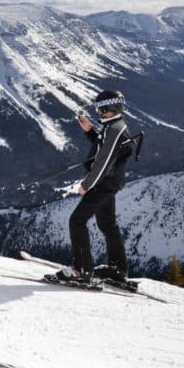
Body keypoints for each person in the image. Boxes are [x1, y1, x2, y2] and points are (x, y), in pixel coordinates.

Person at [55, 90, 132, 284]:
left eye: (101, 108)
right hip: (110, 183)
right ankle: (118, 269)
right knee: (107, 224)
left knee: (77, 221)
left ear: (110, 108)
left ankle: (81, 271)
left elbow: (103, 162)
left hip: (103, 184)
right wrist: (89, 130)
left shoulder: (114, 129)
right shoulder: (113, 126)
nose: (98, 112)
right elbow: (103, 146)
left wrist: (86, 185)